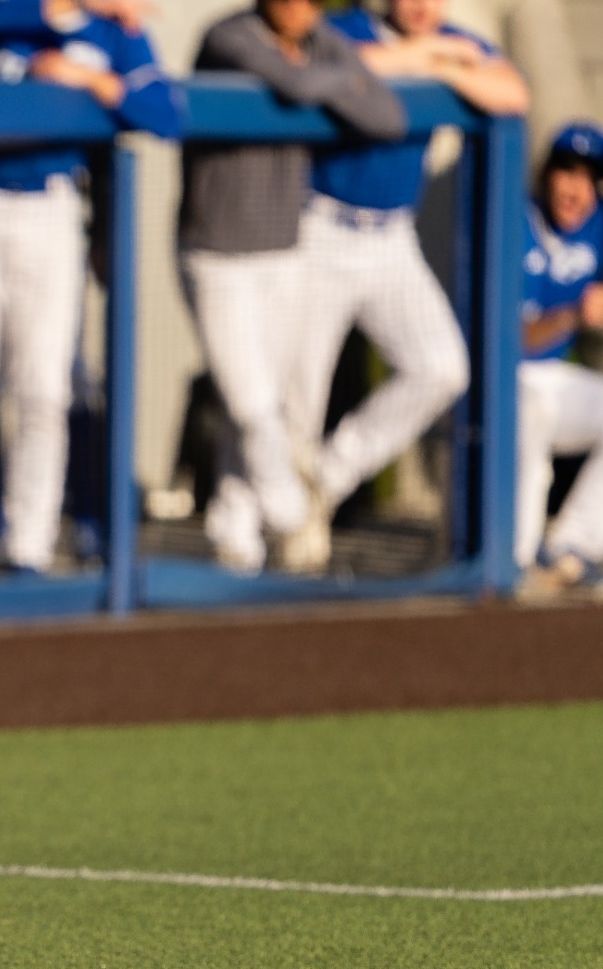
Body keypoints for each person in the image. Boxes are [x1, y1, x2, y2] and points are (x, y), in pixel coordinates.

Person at [273, 0, 527, 572]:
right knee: (299, 398)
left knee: (441, 368)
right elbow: (332, 68)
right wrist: (432, 60)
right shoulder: (344, 28)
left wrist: (441, 66)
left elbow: (512, 93)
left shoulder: (454, 41)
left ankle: (326, 479)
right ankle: (276, 543)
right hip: (322, 225)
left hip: (392, 235)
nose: (420, 5)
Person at [0, 0, 175, 577]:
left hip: (53, 203)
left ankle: (30, 547)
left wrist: (94, 81)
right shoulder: (7, 12)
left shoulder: (112, 31)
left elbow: (166, 113)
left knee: (44, 388)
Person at [179, 0, 406, 575]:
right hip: (217, 250)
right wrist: (346, 78)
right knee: (251, 402)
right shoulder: (230, 35)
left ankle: (235, 535)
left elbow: (388, 117)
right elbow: (295, 85)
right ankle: (287, 513)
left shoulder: (321, 39)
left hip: (284, 247)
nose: (298, 7)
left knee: (266, 404)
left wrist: (338, 74)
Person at [516, 122, 603, 589]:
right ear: (547, 174)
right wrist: (575, 315)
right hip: (503, 380)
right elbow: (514, 339)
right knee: (532, 409)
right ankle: (517, 557)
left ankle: (573, 545)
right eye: (567, 172)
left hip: (555, 379)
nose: (576, 190)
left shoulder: (597, 225)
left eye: (589, 178)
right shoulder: (516, 219)